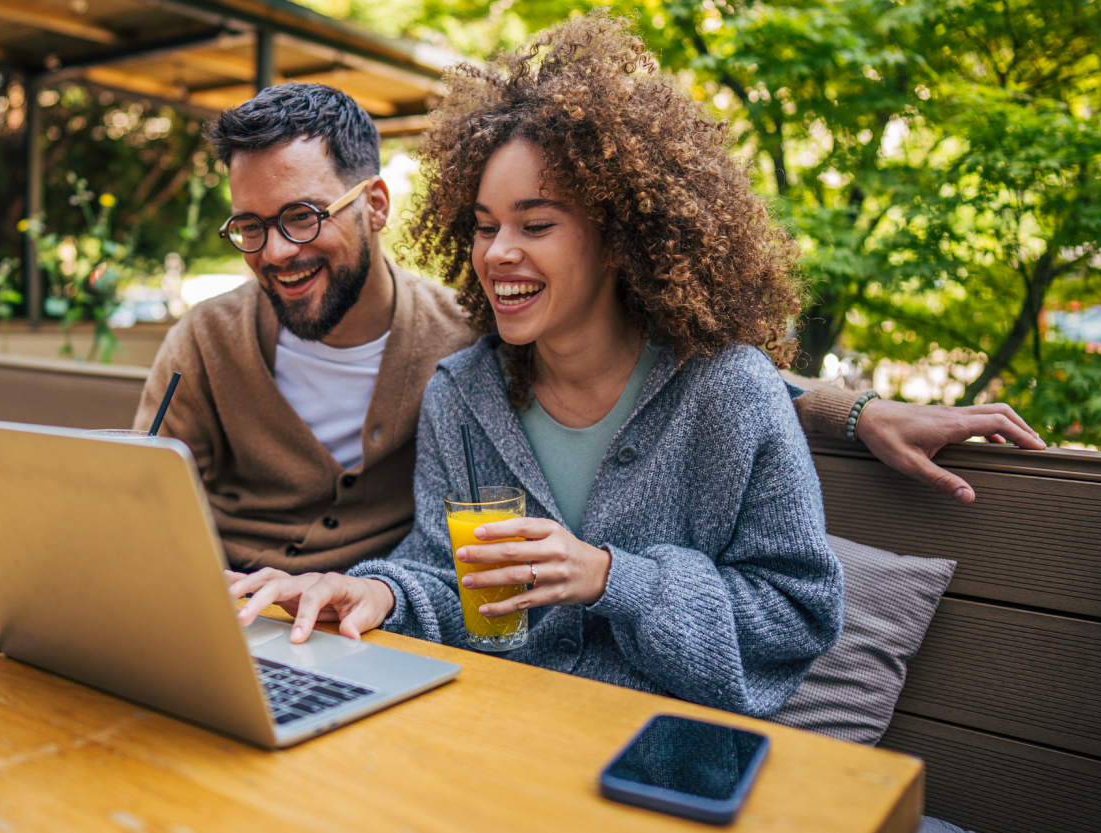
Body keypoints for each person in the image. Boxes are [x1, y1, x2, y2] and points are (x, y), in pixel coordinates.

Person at [135, 83, 1042, 574]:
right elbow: (133, 497)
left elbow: (682, 364)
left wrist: (855, 411)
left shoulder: (469, 336)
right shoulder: (206, 343)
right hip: (240, 617)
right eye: (247, 228)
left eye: (298, 218)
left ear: (372, 204)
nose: (273, 252)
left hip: (374, 632)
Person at [227, 13, 836, 718]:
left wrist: (612, 578)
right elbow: (444, 577)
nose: (495, 253)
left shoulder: (726, 391)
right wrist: (379, 591)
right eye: (484, 226)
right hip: (499, 732)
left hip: (664, 748)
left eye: (534, 224)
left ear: (618, 236)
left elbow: (798, 613)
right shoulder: (463, 392)